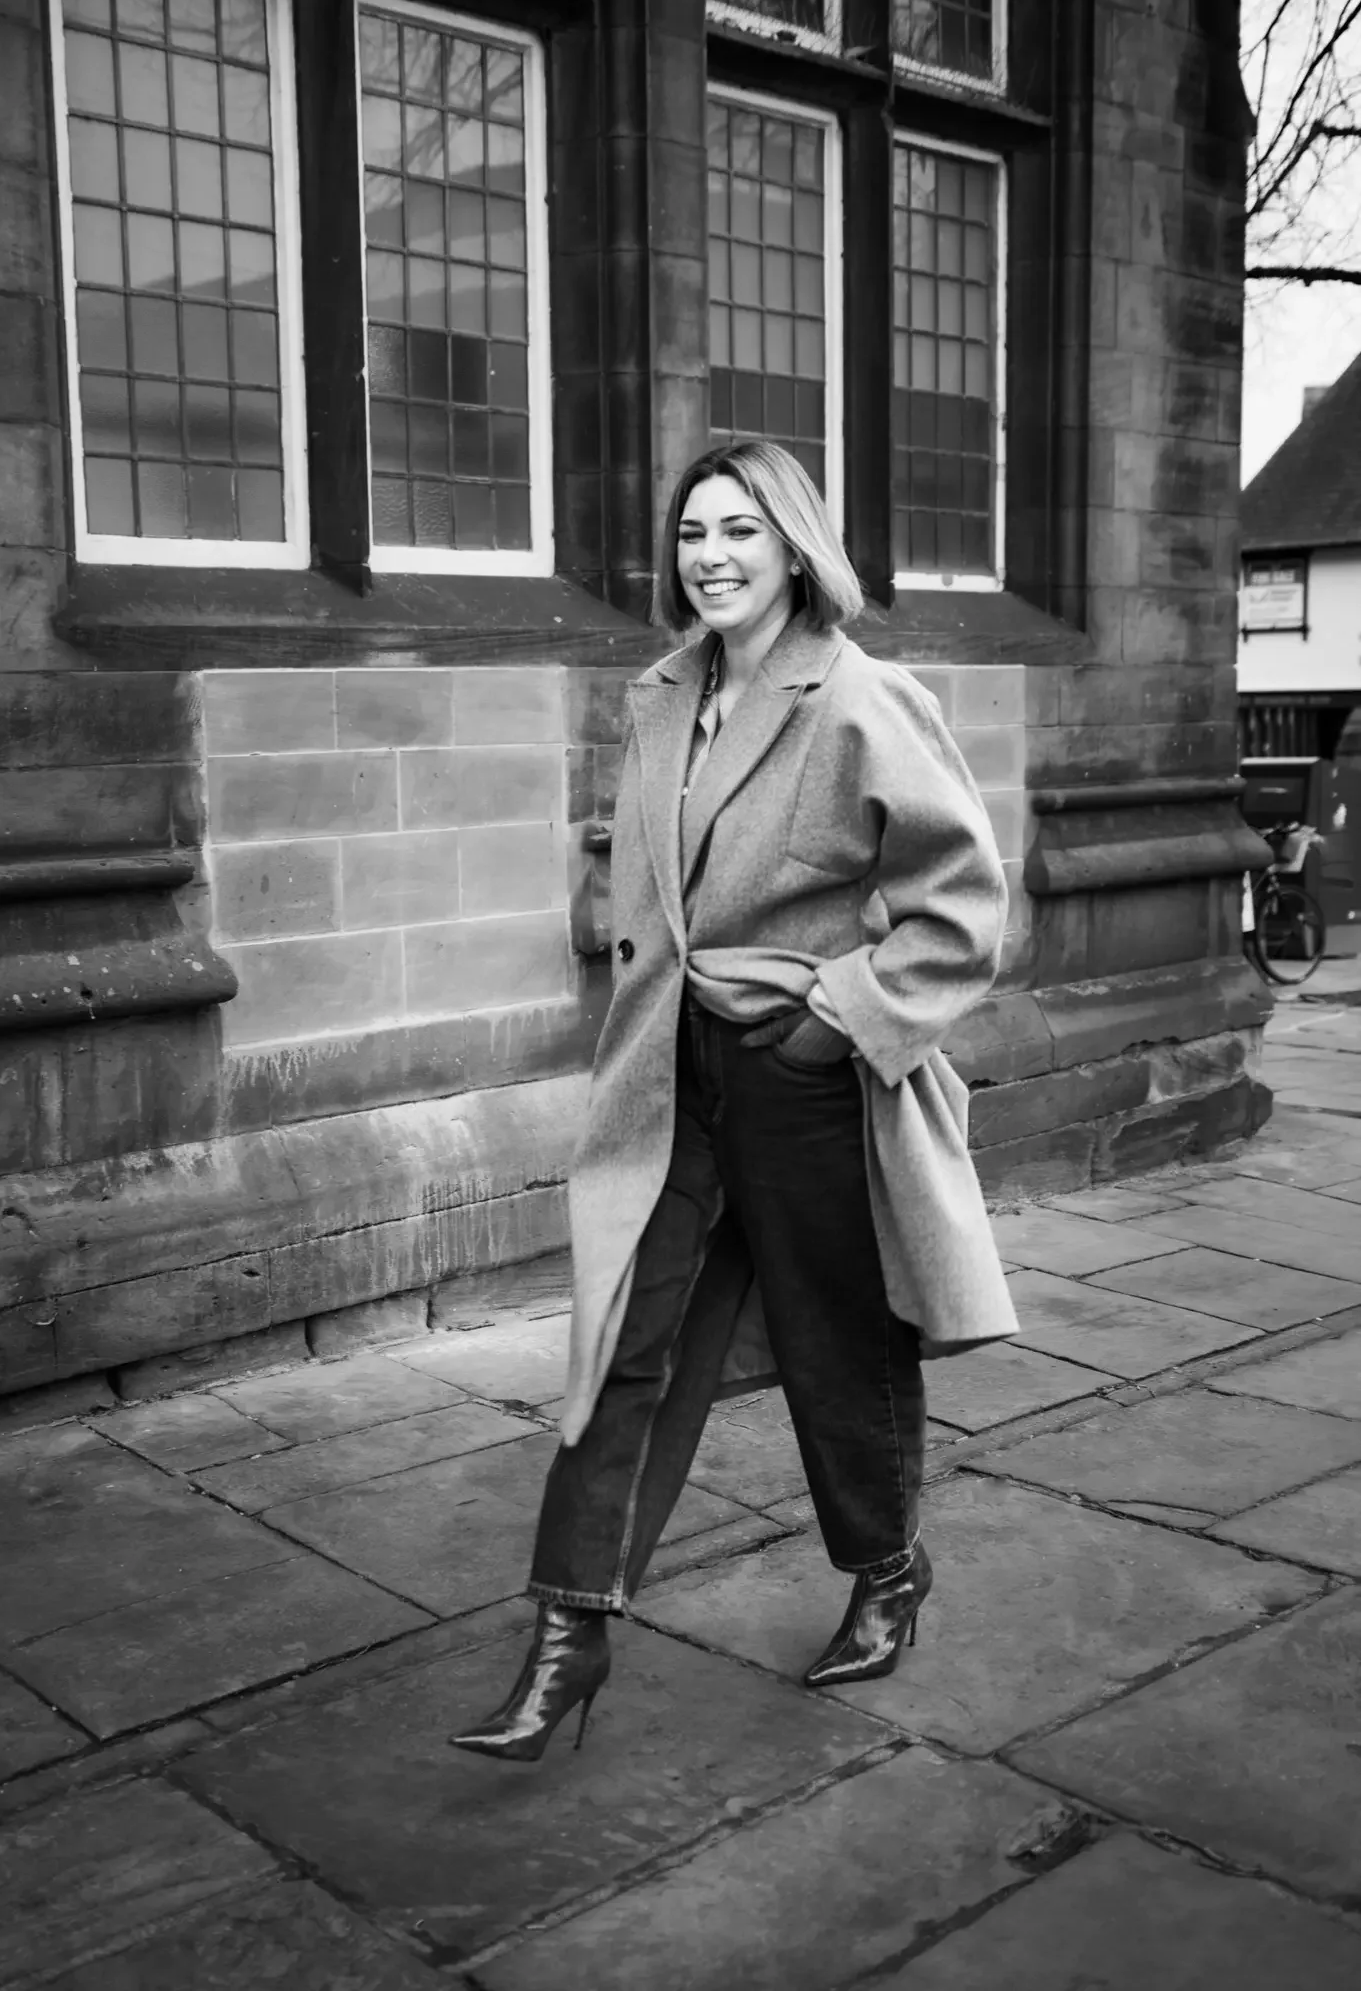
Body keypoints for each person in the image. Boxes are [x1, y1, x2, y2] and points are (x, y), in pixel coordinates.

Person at [449, 438, 1017, 1764]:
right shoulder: (659, 697)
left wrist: (838, 1024)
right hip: (671, 1077)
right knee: (622, 1343)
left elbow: (965, 906)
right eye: (694, 530)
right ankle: (567, 1630)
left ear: (795, 545)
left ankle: (886, 1573)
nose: (710, 554)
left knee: (838, 1343)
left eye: (740, 531)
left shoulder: (863, 700)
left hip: (800, 1074)